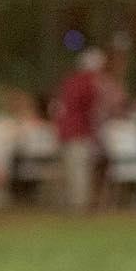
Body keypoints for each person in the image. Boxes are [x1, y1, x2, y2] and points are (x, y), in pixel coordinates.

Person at [55, 49, 104, 212]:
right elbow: (90, 109)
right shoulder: (87, 83)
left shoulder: (70, 81)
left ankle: (74, 203)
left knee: (72, 168)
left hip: (66, 130)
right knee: (79, 169)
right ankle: (79, 205)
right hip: (78, 130)